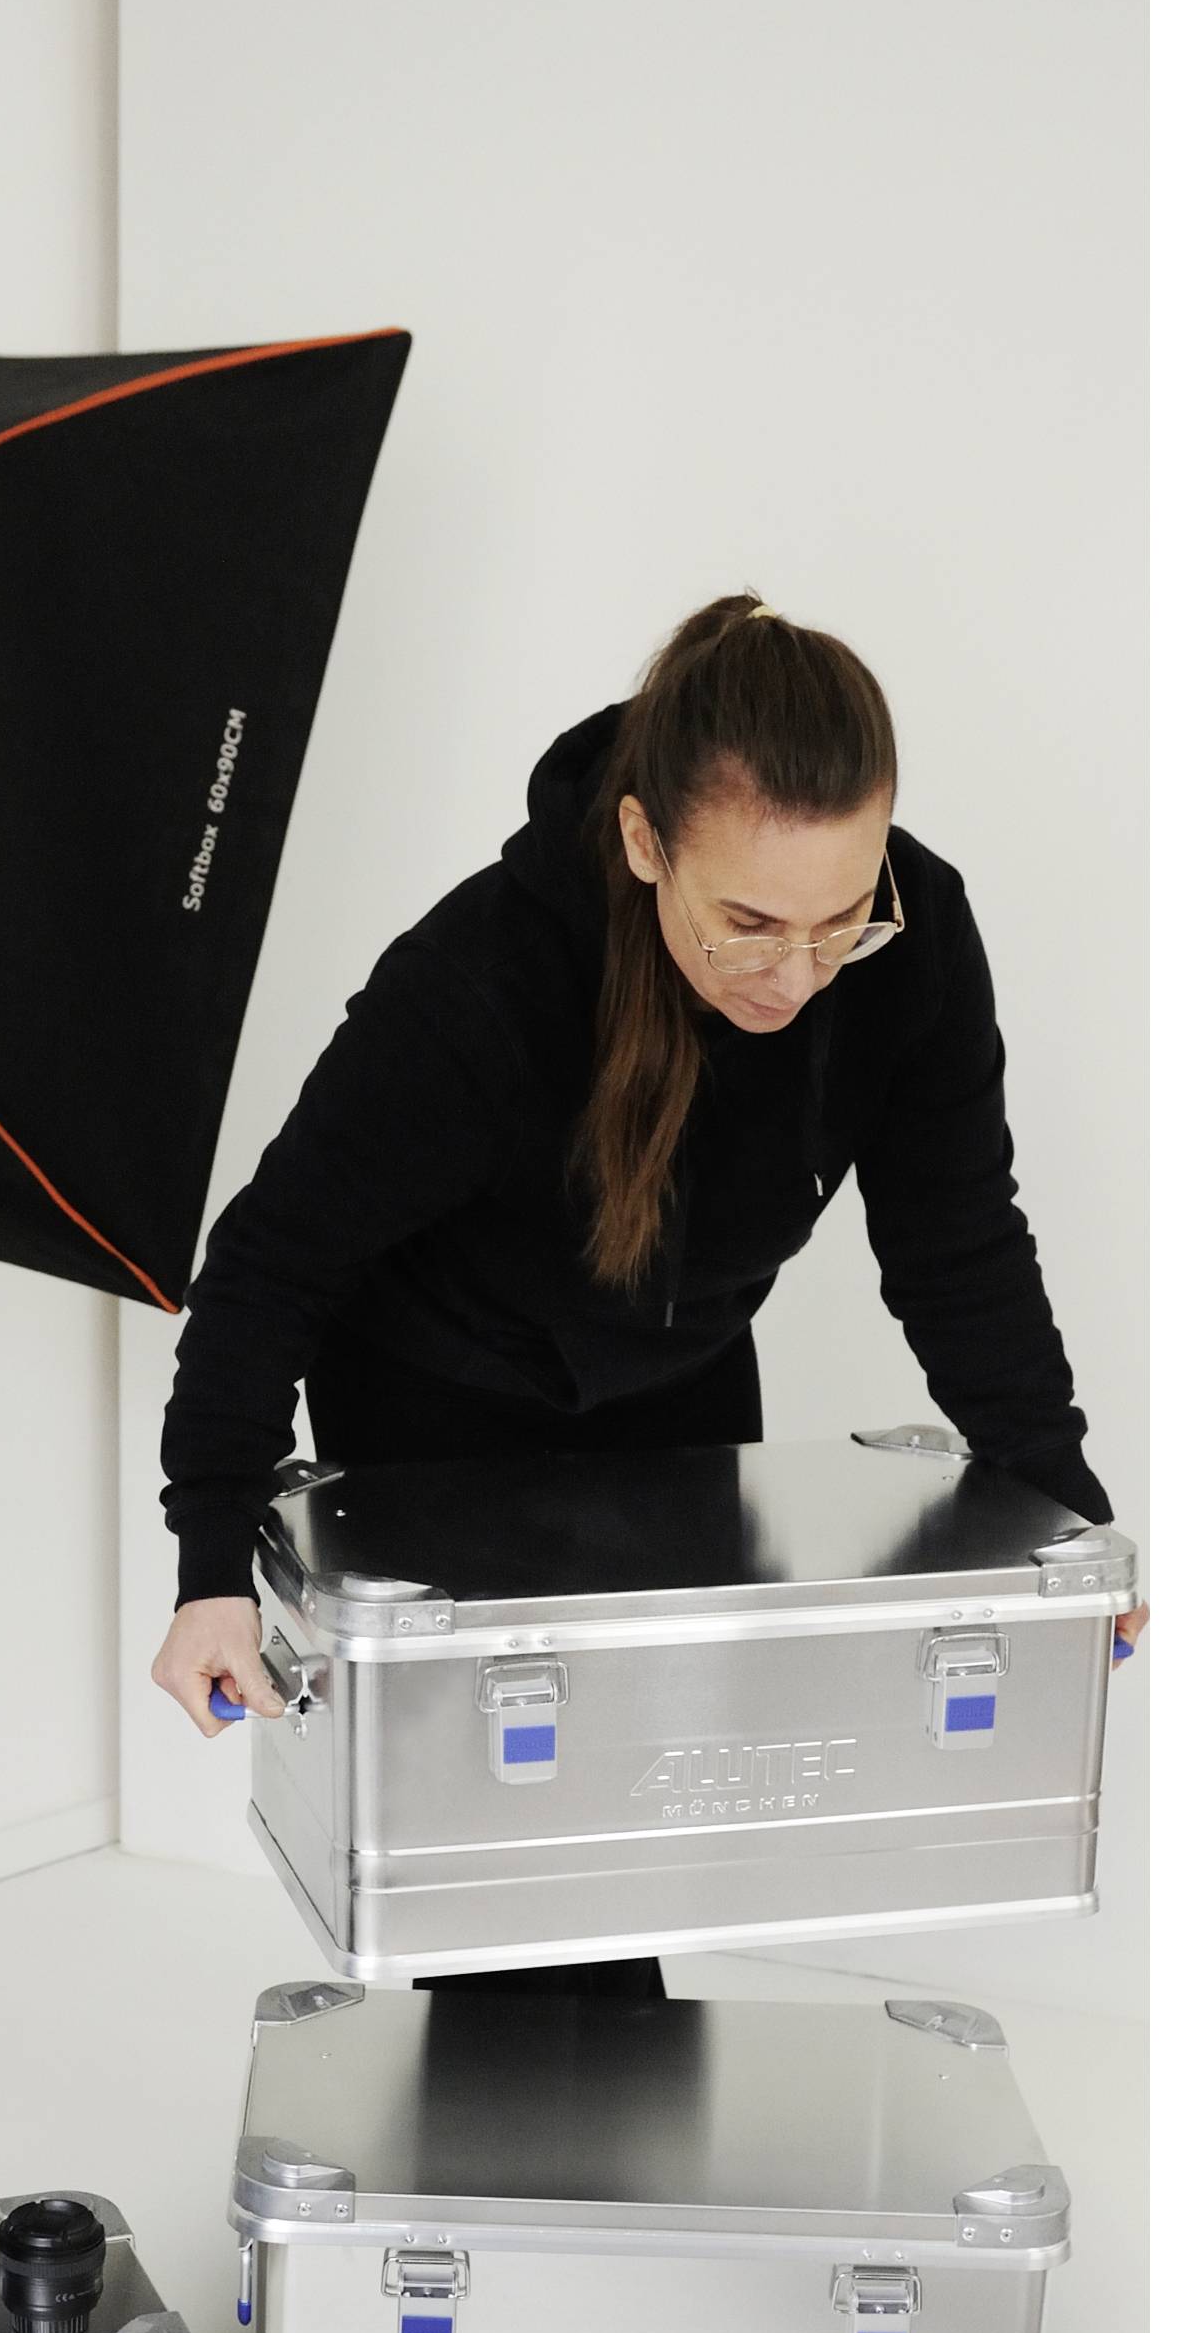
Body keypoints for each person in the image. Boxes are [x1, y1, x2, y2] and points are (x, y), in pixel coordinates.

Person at [150, 592, 1145, 1998]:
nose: (796, 974)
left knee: (644, 1827)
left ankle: (584, 2119)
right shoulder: (480, 983)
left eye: (838, 919)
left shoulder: (916, 944)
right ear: (641, 842)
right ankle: (516, 2143)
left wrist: (1064, 1513)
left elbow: (957, 1242)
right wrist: (210, 1566)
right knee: (498, 1872)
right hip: (435, 1401)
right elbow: (271, 1261)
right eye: (747, 923)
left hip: (678, 1388)